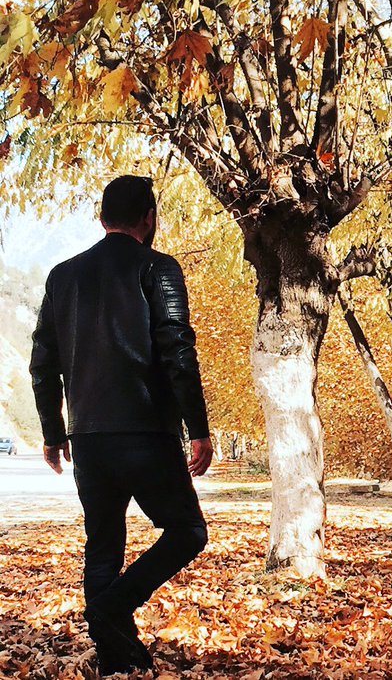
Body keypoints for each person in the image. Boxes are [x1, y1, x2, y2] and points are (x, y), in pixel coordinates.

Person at [29, 175, 213, 675]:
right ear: (148, 217)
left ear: (102, 217)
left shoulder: (62, 277)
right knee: (188, 531)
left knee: (103, 543)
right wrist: (198, 427)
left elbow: (42, 363)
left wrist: (52, 431)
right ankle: (112, 610)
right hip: (146, 433)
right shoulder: (158, 268)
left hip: (87, 437)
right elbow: (178, 348)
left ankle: (116, 654)